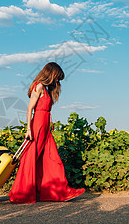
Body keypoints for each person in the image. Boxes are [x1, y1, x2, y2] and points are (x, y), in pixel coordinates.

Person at [9, 62, 85, 203]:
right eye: (57, 78)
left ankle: (59, 192)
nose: (57, 81)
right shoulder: (38, 86)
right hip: (37, 125)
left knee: (52, 158)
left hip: (45, 127)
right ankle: (22, 193)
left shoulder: (47, 89)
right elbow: (29, 109)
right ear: (51, 74)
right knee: (31, 158)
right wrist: (28, 130)